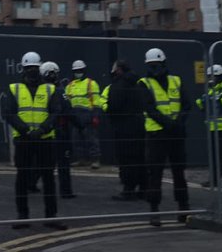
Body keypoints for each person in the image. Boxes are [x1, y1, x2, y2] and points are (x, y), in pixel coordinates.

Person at [1, 52, 67, 230]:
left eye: (34, 68)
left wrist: (42, 130)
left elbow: (56, 112)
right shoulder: (14, 88)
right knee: (22, 179)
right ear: (23, 69)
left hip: (44, 139)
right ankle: (22, 216)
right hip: (23, 140)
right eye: (29, 68)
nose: (32, 71)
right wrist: (25, 130)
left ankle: (51, 216)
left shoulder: (49, 89)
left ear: (39, 69)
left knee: (48, 179)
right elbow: (9, 113)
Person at [139, 48, 190, 226]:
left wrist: (179, 122)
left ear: (164, 64)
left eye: (157, 65)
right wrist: (171, 124)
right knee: (155, 174)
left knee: (179, 173)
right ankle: (154, 211)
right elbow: (150, 109)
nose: (155, 69)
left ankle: (184, 208)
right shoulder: (143, 83)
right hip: (156, 135)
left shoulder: (176, 81)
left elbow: (186, 105)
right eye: (151, 66)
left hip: (175, 135)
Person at [105, 59, 145, 200]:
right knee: (140, 158)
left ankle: (128, 190)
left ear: (120, 70)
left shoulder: (118, 85)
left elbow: (113, 107)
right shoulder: (138, 83)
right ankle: (143, 189)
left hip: (123, 128)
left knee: (126, 160)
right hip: (139, 126)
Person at [41, 61, 74, 199]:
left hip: (44, 131)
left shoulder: (39, 91)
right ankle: (65, 191)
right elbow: (68, 110)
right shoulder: (59, 91)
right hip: (60, 131)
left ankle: (31, 184)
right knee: (63, 163)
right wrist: (80, 124)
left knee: (41, 162)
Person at [64, 60, 102, 170]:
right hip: (75, 116)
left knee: (91, 139)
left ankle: (95, 160)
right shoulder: (70, 86)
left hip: (88, 116)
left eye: (80, 70)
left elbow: (97, 101)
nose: (78, 72)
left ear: (84, 71)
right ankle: (81, 160)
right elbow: (67, 102)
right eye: (76, 71)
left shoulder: (91, 83)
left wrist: (95, 116)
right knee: (76, 140)